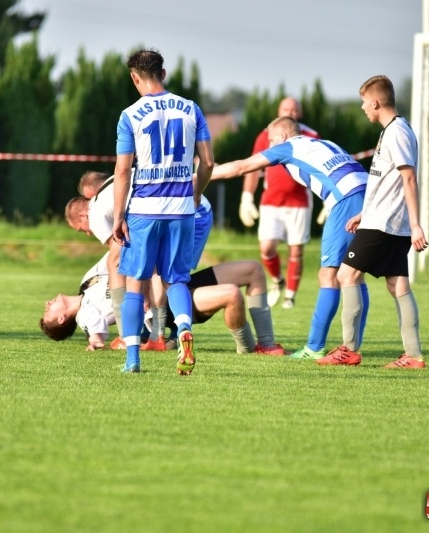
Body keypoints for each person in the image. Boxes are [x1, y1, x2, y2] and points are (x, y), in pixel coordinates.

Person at [210, 116, 369, 360]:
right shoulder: (325, 143)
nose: (269, 146)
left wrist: (202, 175)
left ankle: (314, 348)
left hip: (346, 201)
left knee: (328, 275)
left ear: (282, 137)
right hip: (369, 196)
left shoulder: (288, 147)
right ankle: (352, 347)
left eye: (271, 140)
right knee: (355, 274)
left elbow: (242, 167)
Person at [111, 49, 214, 374]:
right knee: (177, 280)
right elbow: (208, 162)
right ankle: (184, 328)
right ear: (164, 73)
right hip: (182, 209)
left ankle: (132, 359)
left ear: (134, 77)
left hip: (144, 210)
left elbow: (123, 171)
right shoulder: (191, 109)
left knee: (135, 284)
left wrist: (117, 216)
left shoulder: (130, 115)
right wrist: (196, 193)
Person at [321, 75, 428, 369]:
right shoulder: (390, 131)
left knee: (346, 275)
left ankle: (349, 350)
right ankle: (413, 356)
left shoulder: (398, 133)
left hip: (386, 224)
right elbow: (386, 182)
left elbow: (409, 178)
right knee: (398, 285)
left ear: (376, 102)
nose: (362, 108)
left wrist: (416, 225)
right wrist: (364, 214)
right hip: (381, 220)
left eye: (364, 102)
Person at [40, 253, 286, 356]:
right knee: (232, 294)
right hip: (166, 306)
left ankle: (266, 343)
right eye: (48, 310)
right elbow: (95, 330)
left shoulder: (87, 282)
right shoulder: (83, 315)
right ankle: (247, 349)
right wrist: (95, 342)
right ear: (62, 319)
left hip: (173, 280)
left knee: (253, 269)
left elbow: (113, 253)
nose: (47, 302)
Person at [66, 179, 213, 350]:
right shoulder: (108, 190)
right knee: (163, 270)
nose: (88, 233)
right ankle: (162, 331)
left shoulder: (96, 215)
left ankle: (157, 333)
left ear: (83, 216)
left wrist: (124, 323)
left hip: (189, 210)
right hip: (173, 205)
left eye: (81, 229)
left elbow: (117, 256)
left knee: (166, 272)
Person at [240, 97, 319, 309]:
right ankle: (277, 280)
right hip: (271, 201)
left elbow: (320, 170)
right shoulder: (266, 135)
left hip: (299, 202)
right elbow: (252, 167)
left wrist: (329, 201)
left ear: (299, 113)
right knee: (267, 248)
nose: (290, 112)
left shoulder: (311, 136)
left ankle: (290, 297)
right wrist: (247, 196)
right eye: (286, 108)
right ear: (279, 110)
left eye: (295, 109)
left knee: (296, 251)